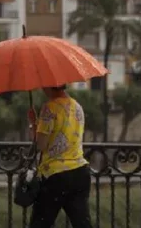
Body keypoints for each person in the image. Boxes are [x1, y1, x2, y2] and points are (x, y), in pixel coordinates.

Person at [27, 85, 93, 228]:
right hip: (80, 171)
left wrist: (33, 124)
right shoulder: (77, 106)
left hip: (55, 176)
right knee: (82, 223)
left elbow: (40, 145)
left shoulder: (49, 108)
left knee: (40, 223)